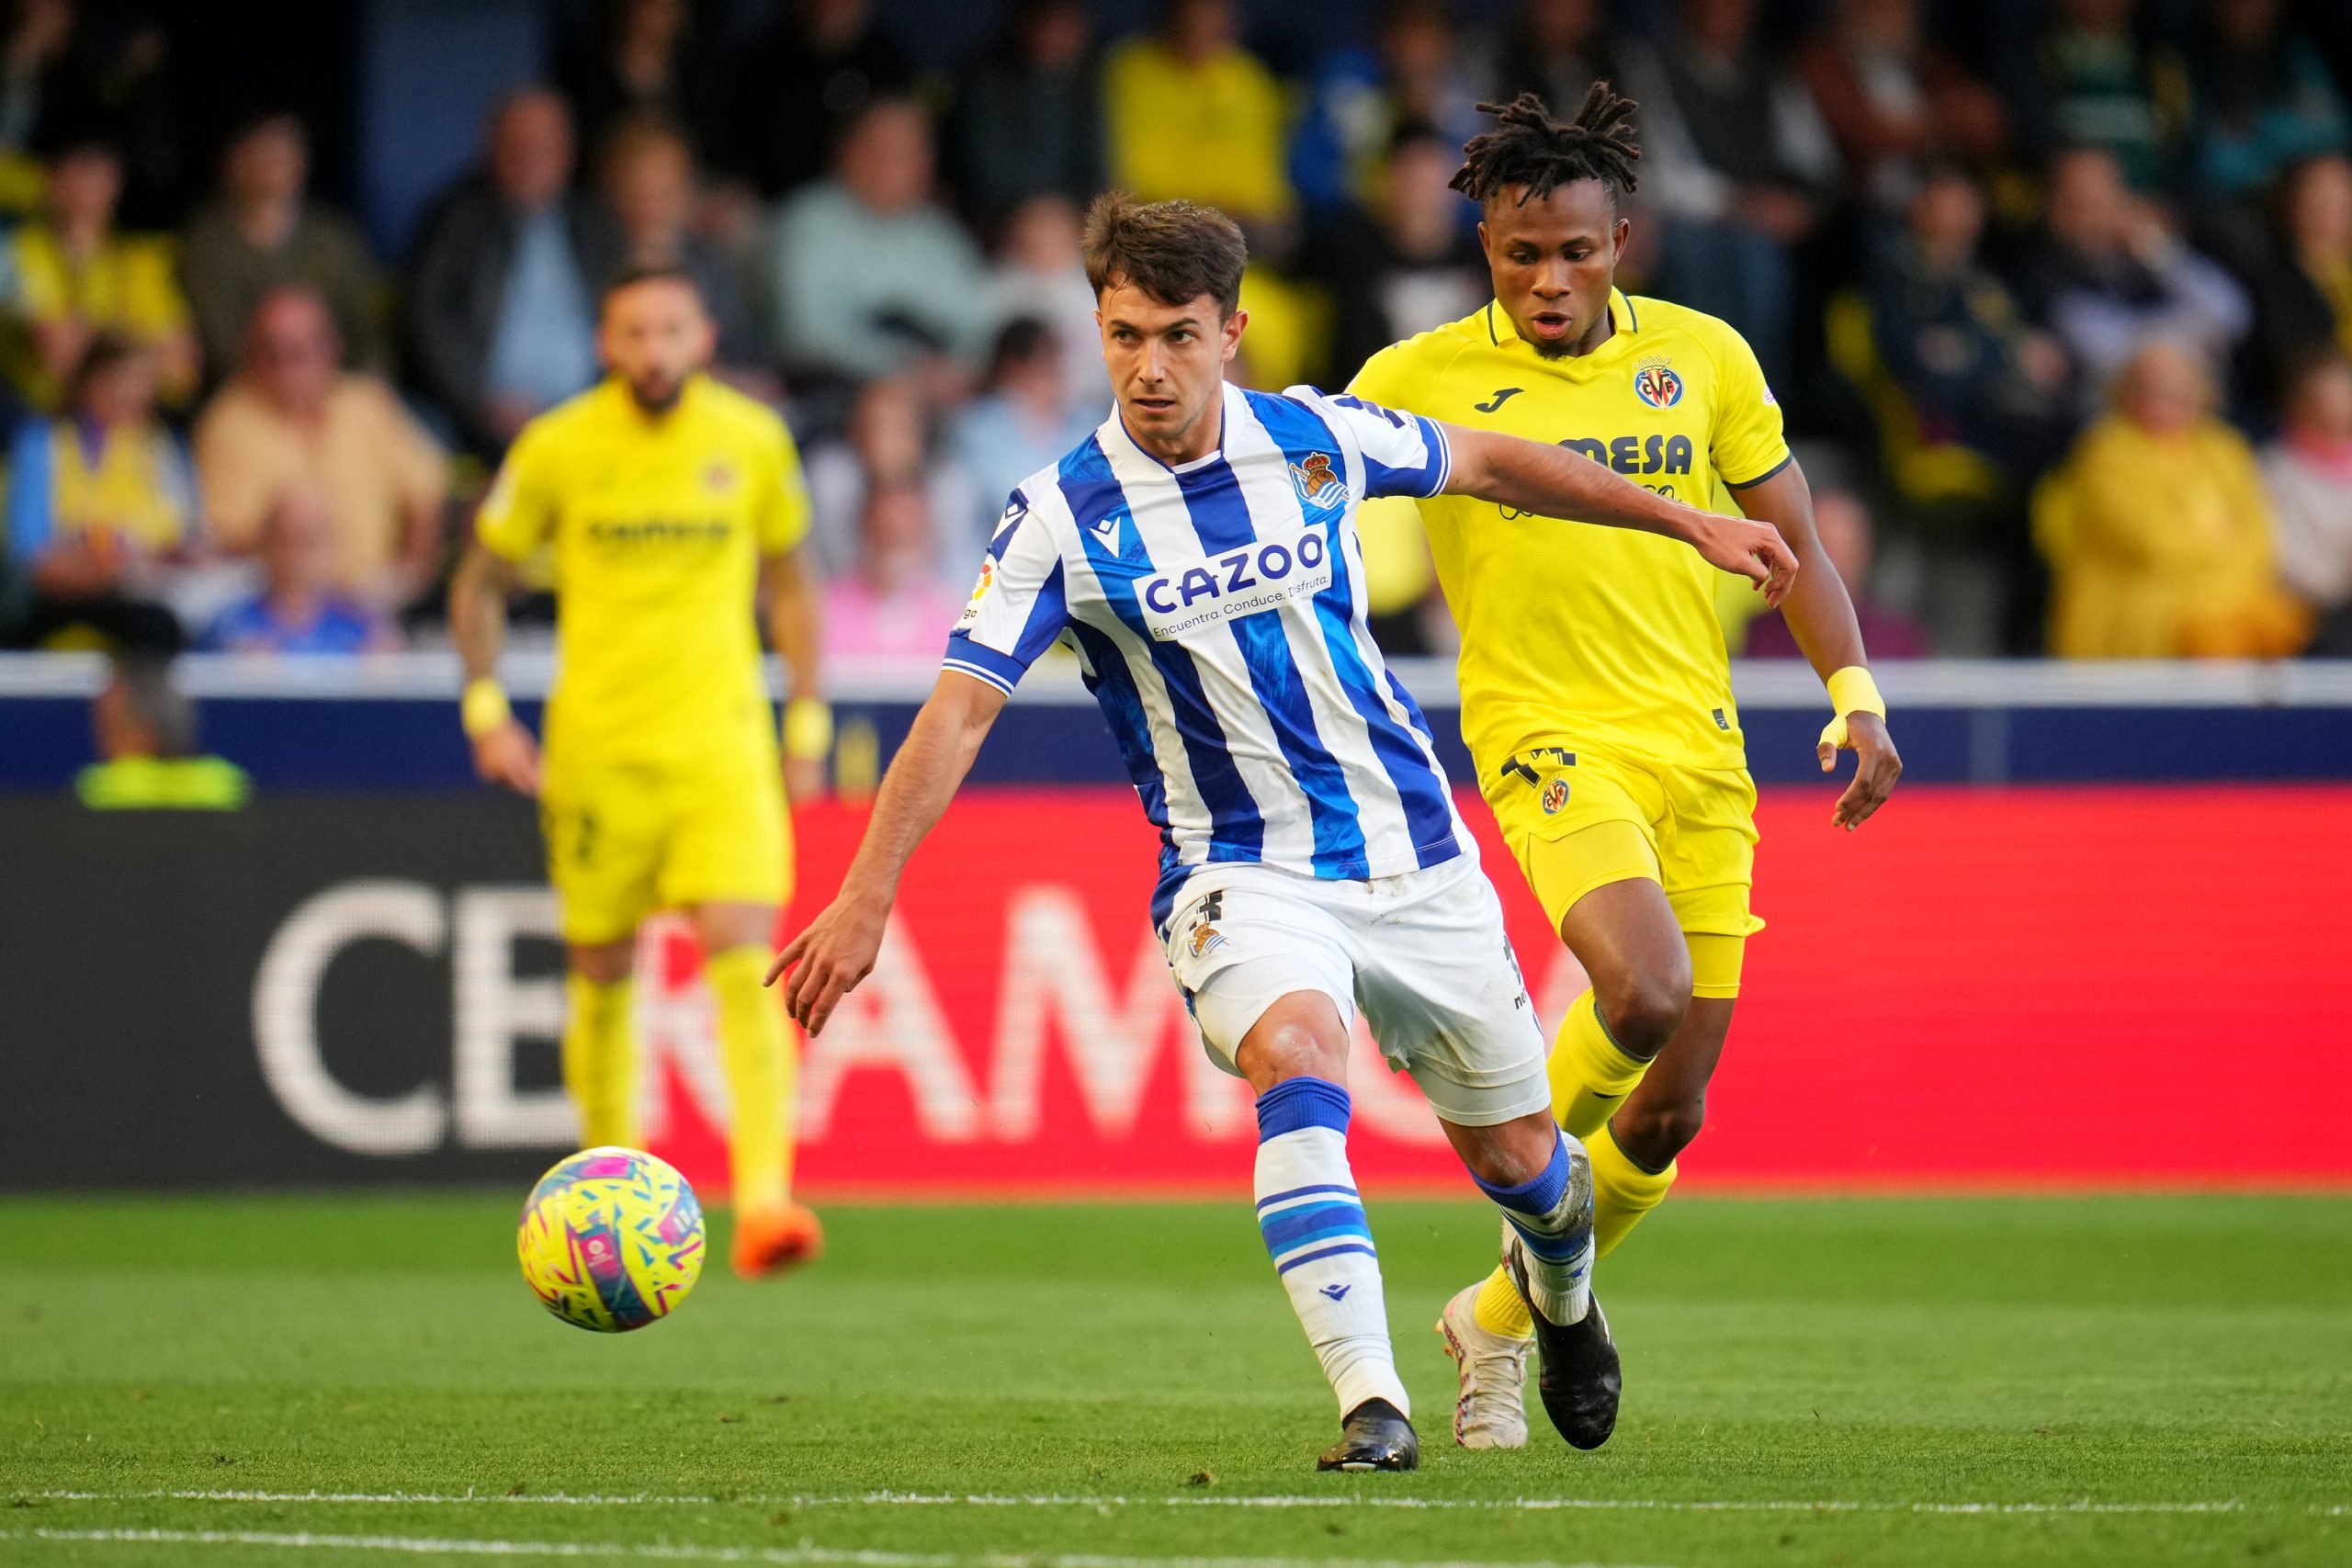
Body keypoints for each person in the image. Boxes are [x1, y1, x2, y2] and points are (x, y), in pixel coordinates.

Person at [771, 191, 1797, 1470]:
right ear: (1098, 325)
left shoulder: (1315, 438)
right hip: (1236, 867)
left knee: (1526, 1161)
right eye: (1125, 333)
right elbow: (958, 713)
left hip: (1413, 849)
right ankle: (1374, 1401)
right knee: (1296, 1055)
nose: (1150, 366)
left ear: (1232, 330)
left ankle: (1563, 1298)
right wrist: (870, 892)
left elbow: (1491, 459)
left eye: (1179, 336)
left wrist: (1687, 518)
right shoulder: (1058, 518)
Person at [1347, 87, 1904, 1450]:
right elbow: (1294, 512)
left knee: (1670, 1107)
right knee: (1642, 986)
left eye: (1576, 252)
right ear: (1482, 244)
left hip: (1701, 752)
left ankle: (1499, 1306)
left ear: (1622, 242)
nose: (1550, 279)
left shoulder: (1704, 357)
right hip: (1542, 734)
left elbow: (1799, 545)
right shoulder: (1413, 378)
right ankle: (1539, 1201)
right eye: (1521, 252)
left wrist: (1857, 691)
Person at [448, 264, 830, 1279]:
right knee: (602, 972)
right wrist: (486, 710)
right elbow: (479, 580)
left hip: (722, 745)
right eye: (632, 333)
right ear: (605, 345)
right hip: (598, 754)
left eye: (670, 330)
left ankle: (763, 1201)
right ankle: (603, 1197)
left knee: (744, 953)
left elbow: (793, 584)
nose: (653, 350)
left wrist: (807, 720)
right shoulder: (557, 447)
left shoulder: (750, 441)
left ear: (702, 336)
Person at [2037, 337, 2308, 658]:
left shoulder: (2224, 448)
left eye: (2178, 389)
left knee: (2283, 623)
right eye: (2153, 389)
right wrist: (2214, 549)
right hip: (2138, 598)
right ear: (2127, 392)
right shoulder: (2108, 449)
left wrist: (2225, 577)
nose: (2167, 400)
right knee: (2214, 637)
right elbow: (2146, 540)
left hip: (2223, 589)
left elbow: (2256, 532)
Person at [193, 285, 448, 612]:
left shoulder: (366, 403)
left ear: (331, 349)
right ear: (249, 355)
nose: (285, 368)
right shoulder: (227, 422)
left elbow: (427, 495)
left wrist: (408, 578)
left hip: (382, 601)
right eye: (270, 353)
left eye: (298, 352)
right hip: (278, 612)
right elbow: (231, 538)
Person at [404, 87, 625, 455]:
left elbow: (628, 312)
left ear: (568, 152)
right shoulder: (457, 220)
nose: (531, 159)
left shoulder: (595, 223)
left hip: (596, 413)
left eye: (545, 147)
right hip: (488, 418)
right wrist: (478, 404)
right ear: (490, 148)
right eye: (518, 146)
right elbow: (428, 325)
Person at [765, 97, 991, 384]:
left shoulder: (944, 236)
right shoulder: (808, 220)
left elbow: (977, 335)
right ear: (846, 151)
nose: (890, 162)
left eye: (907, 151)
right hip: (834, 391)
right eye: (877, 148)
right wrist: (901, 367)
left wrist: (949, 370)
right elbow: (806, 335)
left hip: (936, 395)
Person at [3, 332, 192, 654]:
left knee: (163, 624)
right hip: (55, 599)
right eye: (120, 379)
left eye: (143, 380)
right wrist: (96, 566)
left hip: (144, 594)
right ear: (87, 380)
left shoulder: (160, 448)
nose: (131, 393)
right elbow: (28, 550)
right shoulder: (41, 443)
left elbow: (184, 534)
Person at [2019, 147, 2250, 412]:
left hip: (2199, 428)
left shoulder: (2155, 257)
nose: (2100, 215)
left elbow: (2231, 315)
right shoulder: (2043, 276)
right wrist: (2190, 335)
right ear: (2056, 210)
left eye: (2108, 198)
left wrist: (2159, 251)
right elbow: (2115, 355)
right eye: (2082, 203)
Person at [178, 111, 385, 387]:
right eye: (264, 151)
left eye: (285, 151)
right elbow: (223, 345)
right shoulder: (208, 242)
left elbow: (367, 331)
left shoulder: (333, 235)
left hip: (336, 387)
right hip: (247, 391)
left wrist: (370, 386)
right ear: (235, 161)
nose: (275, 161)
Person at [2, 131, 196, 411]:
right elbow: (58, 356)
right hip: (42, 419)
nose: (92, 183)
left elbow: (180, 372)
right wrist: (138, 341)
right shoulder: (20, 250)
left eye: (104, 171)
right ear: (52, 178)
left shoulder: (139, 260)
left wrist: (90, 336)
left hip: (130, 429)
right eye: (82, 168)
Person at [1102, 0, 1294, 231]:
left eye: (1214, 24)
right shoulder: (1130, 72)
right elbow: (1131, 176)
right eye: (1192, 23)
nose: (1202, 32)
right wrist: (1203, 206)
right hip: (1160, 222)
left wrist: (1259, 208)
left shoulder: (1248, 79)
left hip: (1238, 222)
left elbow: (1264, 179)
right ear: (1170, 20)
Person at [948, 0, 1104, 225]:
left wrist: (1073, 211)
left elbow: (1094, 168)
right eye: (1050, 25)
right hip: (1000, 219)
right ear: (1026, 26)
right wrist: (1040, 212)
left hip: (1070, 220)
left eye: (1069, 26)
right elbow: (988, 177)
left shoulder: (1088, 85)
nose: (1059, 37)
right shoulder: (988, 84)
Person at [203, 489, 393, 656]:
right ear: (264, 544)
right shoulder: (230, 626)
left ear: (331, 545)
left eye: (309, 542)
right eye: (285, 540)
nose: (296, 555)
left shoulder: (363, 626)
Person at [1743, 487, 1929, 657]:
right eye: (1824, 550)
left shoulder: (1898, 637)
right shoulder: (1763, 633)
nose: (1833, 567)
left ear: (1865, 554)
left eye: (1845, 550)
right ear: (1795, 554)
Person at [2263, 353, 2352, 654]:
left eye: (2345, 391)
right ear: (2299, 402)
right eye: (2326, 393)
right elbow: (2283, 557)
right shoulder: (2276, 471)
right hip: (2310, 614)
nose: (2338, 403)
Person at [821, 480, 964, 659]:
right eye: (886, 534)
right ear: (865, 530)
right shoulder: (825, 611)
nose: (896, 550)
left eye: (908, 536)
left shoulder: (951, 616)